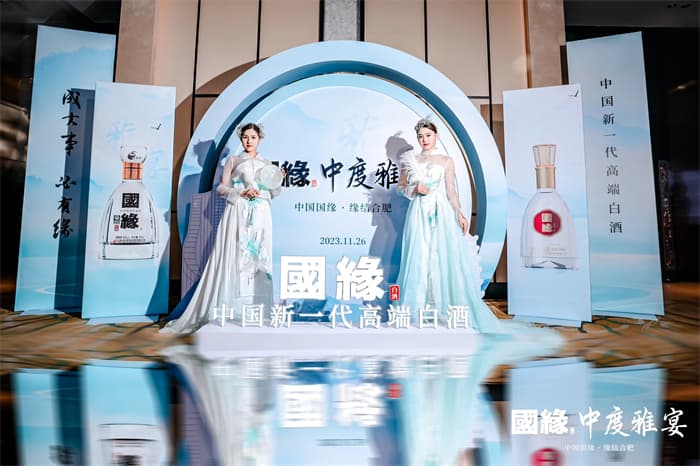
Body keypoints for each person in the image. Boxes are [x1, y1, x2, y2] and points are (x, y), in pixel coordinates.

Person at [396, 117, 559, 337]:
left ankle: (443, 308)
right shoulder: (411, 160)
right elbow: (400, 188)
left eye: (428, 135)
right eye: (420, 136)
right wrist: (415, 189)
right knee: (419, 256)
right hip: (418, 213)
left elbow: (451, 190)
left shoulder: (446, 161)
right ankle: (419, 309)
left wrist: (458, 212)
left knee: (442, 256)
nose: (424, 139)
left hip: (442, 212)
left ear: (436, 136)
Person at [162, 123, 281, 333]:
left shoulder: (267, 163)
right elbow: (221, 188)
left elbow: (274, 192)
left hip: (261, 213)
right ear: (241, 139)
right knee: (235, 255)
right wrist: (240, 192)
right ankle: (233, 308)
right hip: (238, 210)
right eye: (245, 137)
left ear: (259, 139)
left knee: (258, 258)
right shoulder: (233, 161)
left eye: (253, 137)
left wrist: (279, 179)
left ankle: (257, 309)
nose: (249, 141)